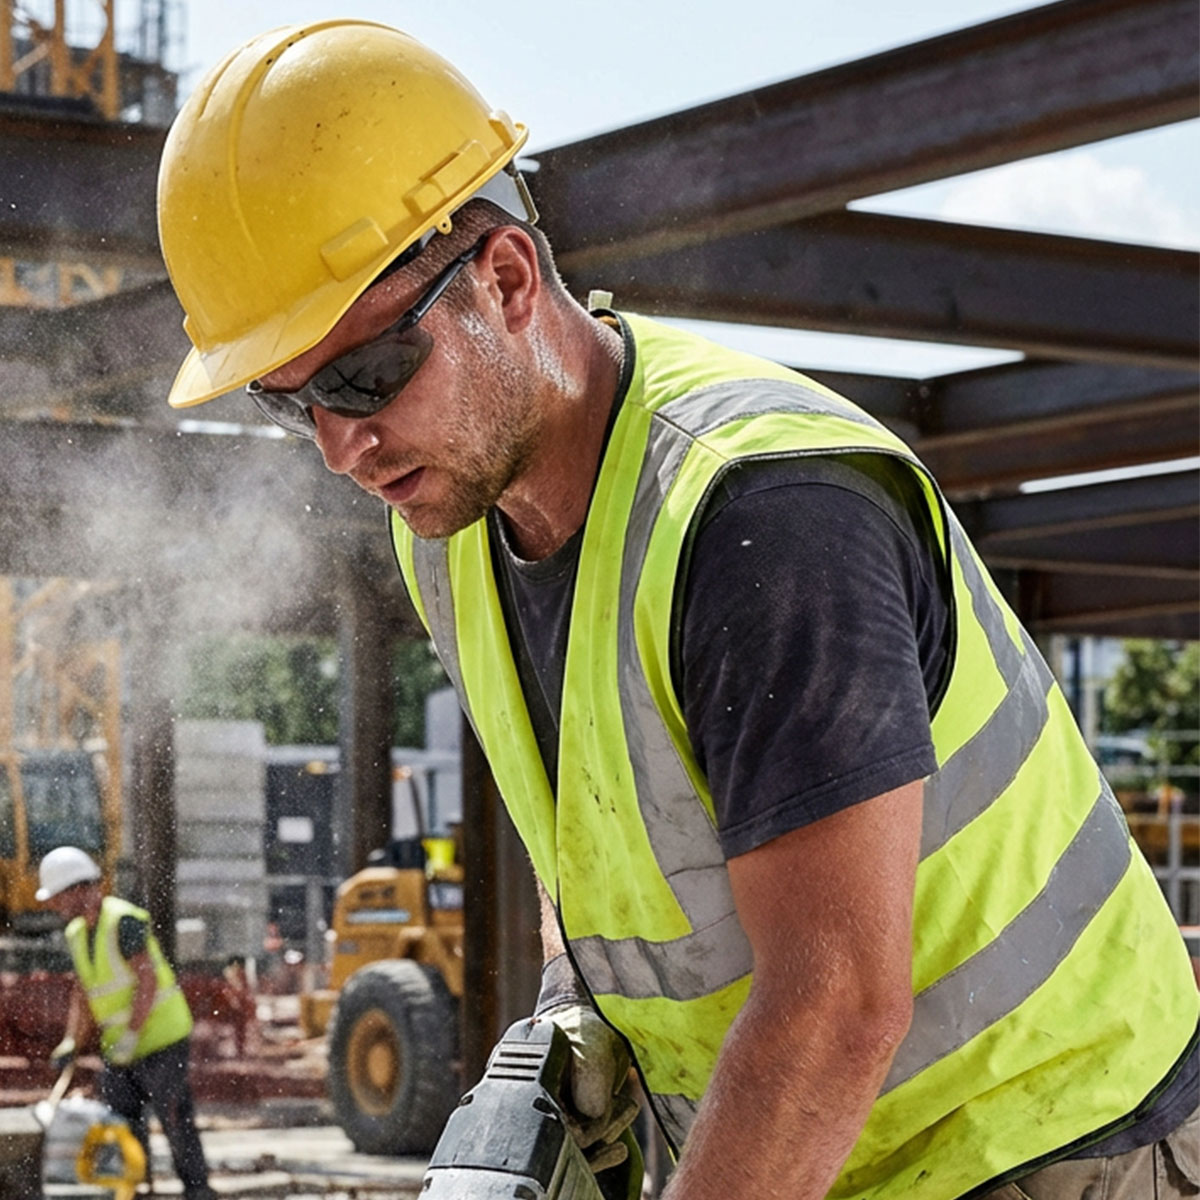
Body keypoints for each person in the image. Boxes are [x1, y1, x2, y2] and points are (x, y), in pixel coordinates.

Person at [154, 22, 1200, 1199]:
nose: (344, 449)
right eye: (296, 406)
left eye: (364, 378)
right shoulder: (447, 536)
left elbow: (839, 1000)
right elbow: (602, 833)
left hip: (1046, 1142)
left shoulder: (763, 517)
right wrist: (570, 1023)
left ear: (503, 278)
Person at [36, 846, 216, 1200]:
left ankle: (198, 1192)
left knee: (175, 1119)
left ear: (77, 890)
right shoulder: (76, 934)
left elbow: (146, 981)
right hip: (121, 1047)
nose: (53, 905)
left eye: (57, 896)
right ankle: (134, 1189)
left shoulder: (123, 921)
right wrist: (72, 1040)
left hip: (161, 1038)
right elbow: (85, 992)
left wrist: (132, 1034)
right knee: (125, 1123)